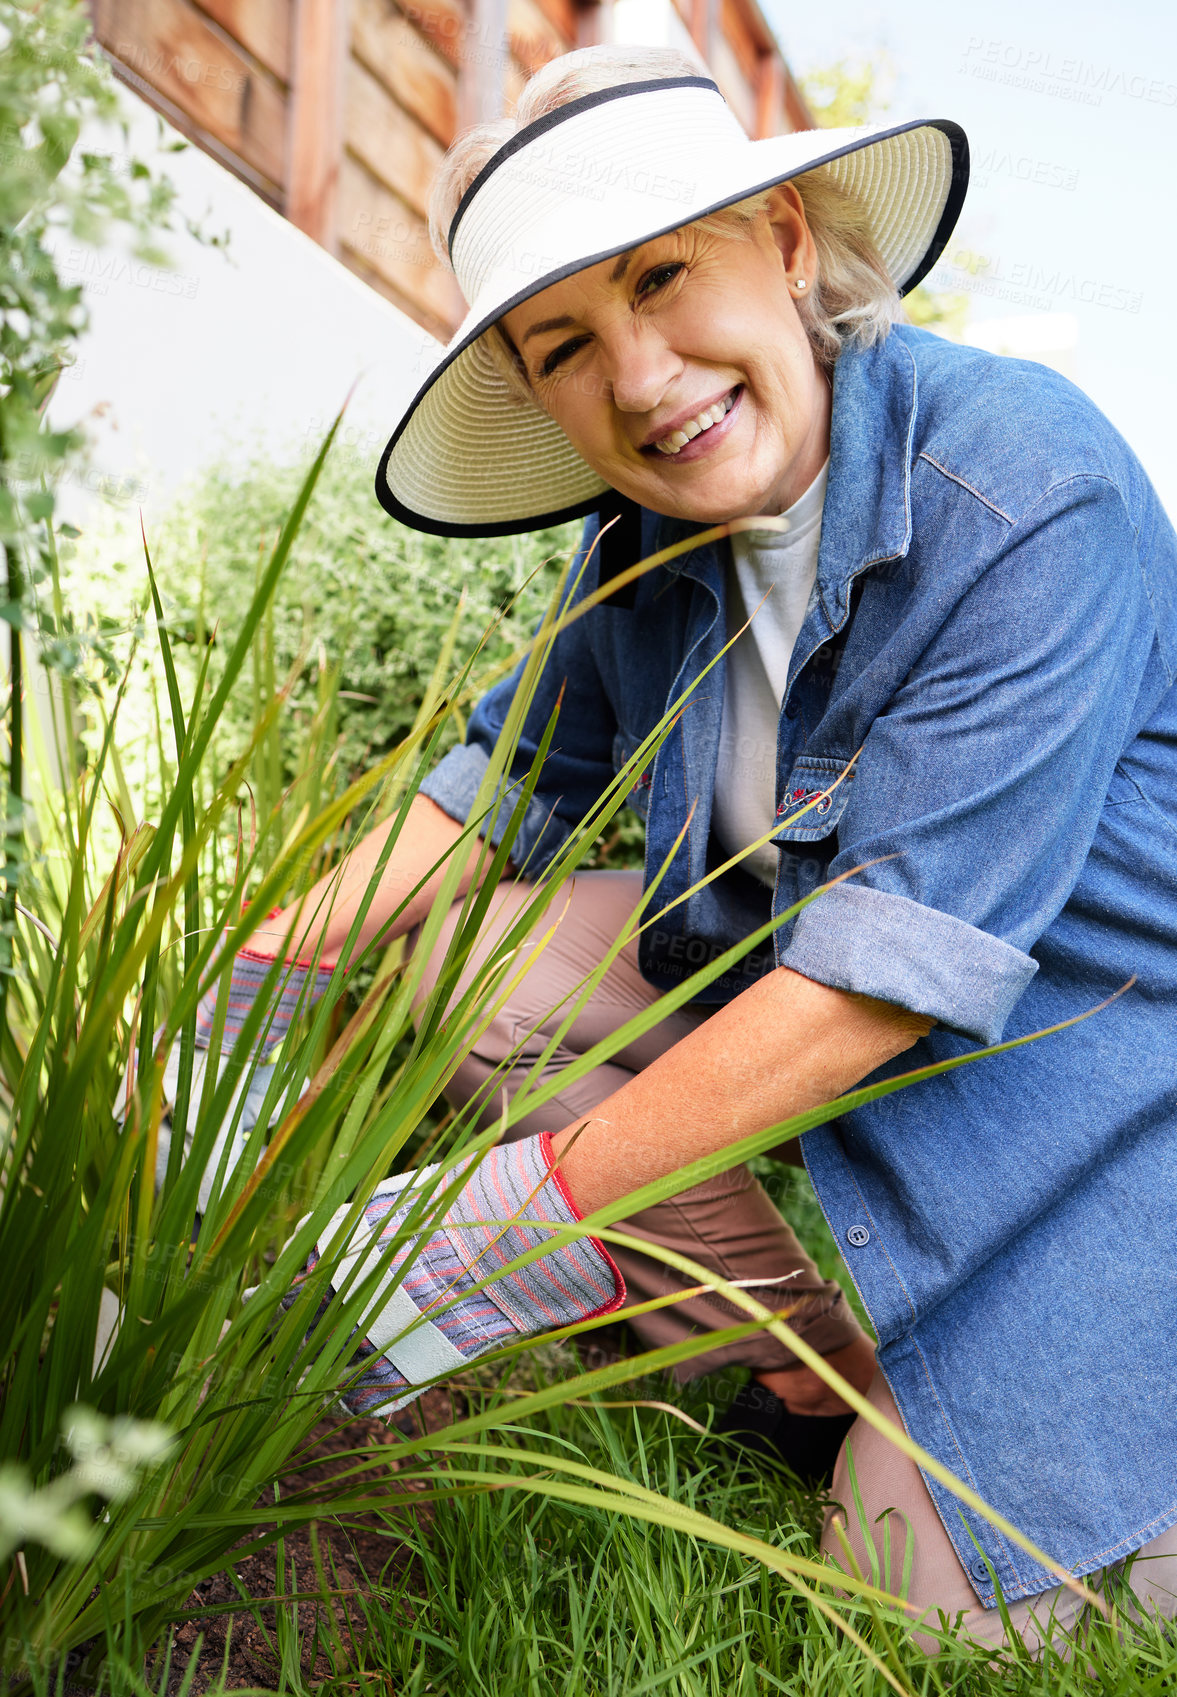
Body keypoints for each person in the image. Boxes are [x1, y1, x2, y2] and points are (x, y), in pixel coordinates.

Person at [192, 47, 1177, 1649]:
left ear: (787, 242)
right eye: (568, 343)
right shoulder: (645, 542)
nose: (644, 378)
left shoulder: (1018, 486)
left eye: (664, 280)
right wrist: (238, 989)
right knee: (476, 967)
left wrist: (485, 1241)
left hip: (1106, 1078)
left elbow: (875, 987)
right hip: (853, 1029)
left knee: (912, 1594)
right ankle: (802, 1354)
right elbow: (485, 794)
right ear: (532, 388)